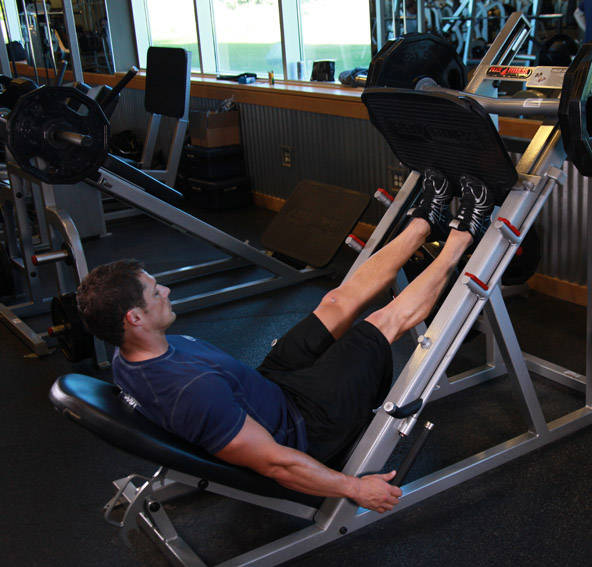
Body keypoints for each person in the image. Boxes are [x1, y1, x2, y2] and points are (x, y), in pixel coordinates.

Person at [76, 170, 499, 514]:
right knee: (380, 323)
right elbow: (276, 463)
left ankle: (425, 221)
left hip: (270, 389)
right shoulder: (191, 391)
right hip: (307, 427)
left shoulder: (126, 356)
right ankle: (464, 237)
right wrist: (354, 487)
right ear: (134, 318)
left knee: (335, 302)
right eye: (155, 292)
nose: (167, 290)